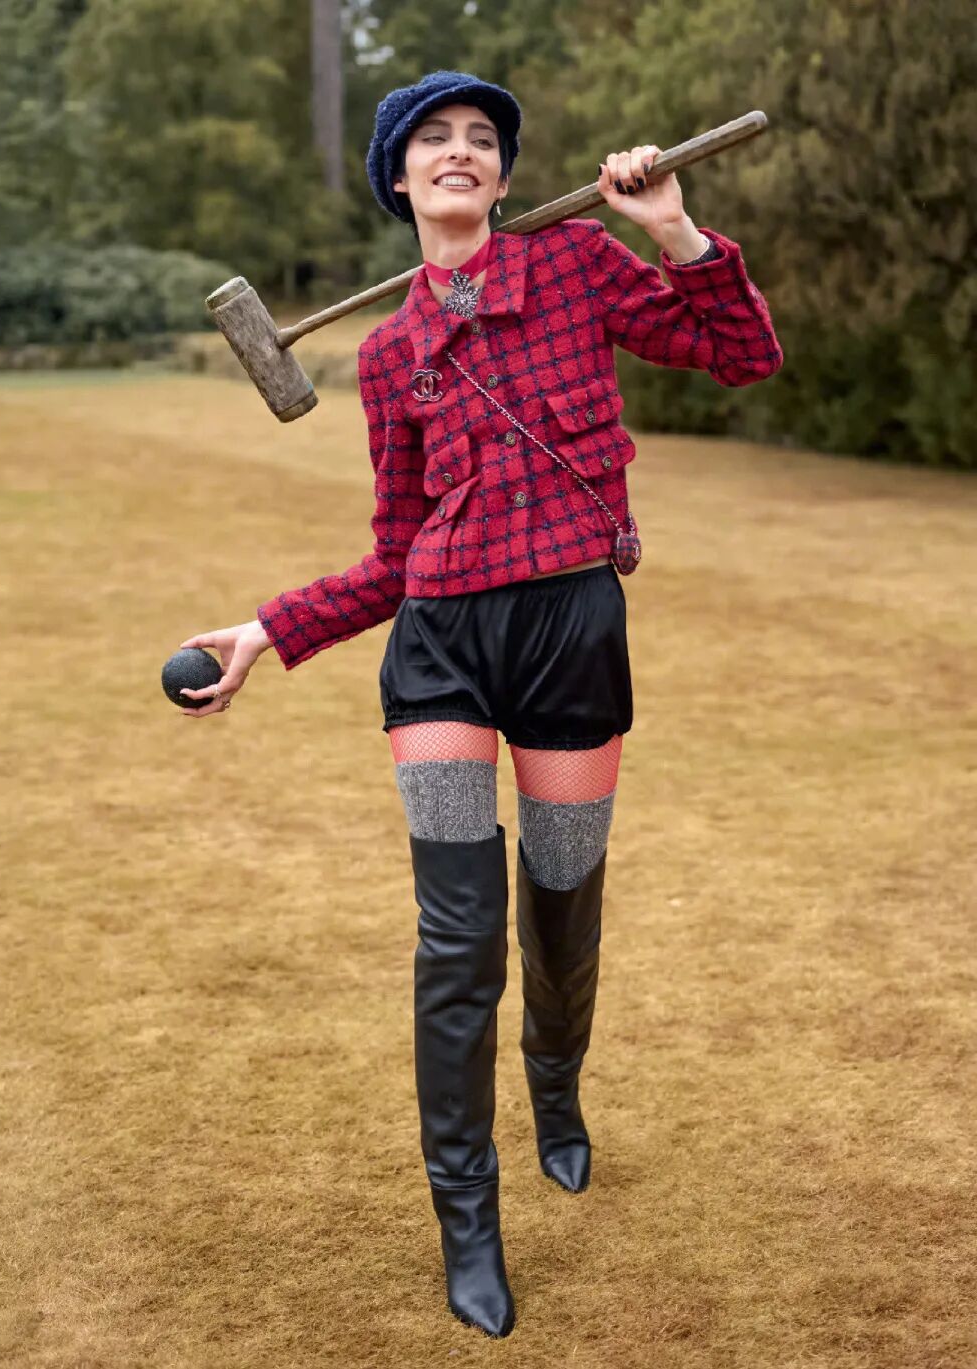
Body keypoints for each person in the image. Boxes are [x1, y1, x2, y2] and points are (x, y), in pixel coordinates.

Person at [177, 70, 783, 1339]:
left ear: (503, 178)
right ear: (399, 180)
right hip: (442, 649)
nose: (459, 152)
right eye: (433, 141)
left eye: (481, 140)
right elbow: (395, 556)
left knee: (560, 905)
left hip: (571, 632)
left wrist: (672, 229)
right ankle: (468, 1218)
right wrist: (269, 630)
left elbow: (741, 354)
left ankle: (554, 1089)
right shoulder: (390, 351)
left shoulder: (574, 264)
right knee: (457, 937)